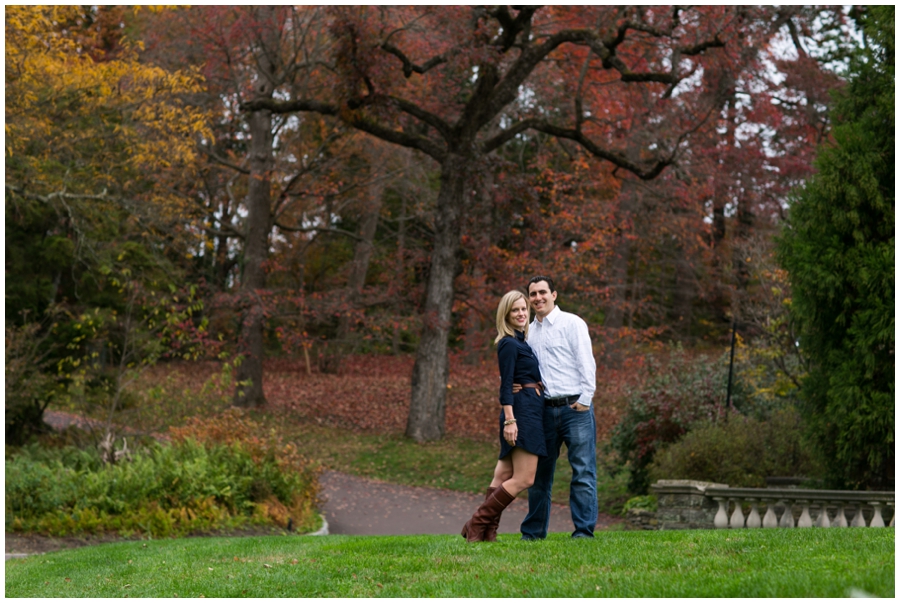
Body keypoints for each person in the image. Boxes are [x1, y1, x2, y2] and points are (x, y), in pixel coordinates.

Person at [460, 290, 547, 542]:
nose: (521, 314)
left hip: (527, 407)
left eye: (523, 309)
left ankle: (486, 532)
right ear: (506, 315)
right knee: (524, 478)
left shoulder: (521, 342)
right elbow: (506, 384)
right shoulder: (509, 343)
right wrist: (510, 420)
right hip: (521, 413)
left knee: (502, 474)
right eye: (515, 310)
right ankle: (476, 523)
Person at [517, 275, 597, 539]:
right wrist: (517, 385)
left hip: (575, 408)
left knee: (583, 471)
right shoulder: (528, 332)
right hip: (543, 411)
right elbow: (525, 369)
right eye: (533, 294)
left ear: (554, 295)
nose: (538, 298)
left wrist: (585, 398)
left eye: (542, 292)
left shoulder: (572, 323)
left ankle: (583, 532)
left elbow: (586, 361)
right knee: (539, 475)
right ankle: (533, 533)